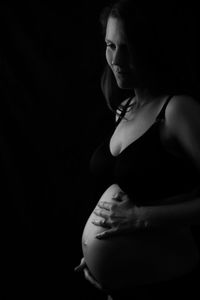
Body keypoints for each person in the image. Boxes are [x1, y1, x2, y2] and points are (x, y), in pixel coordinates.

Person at [75, 0, 200, 299]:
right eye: (110, 44)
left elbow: (139, 211)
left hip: (170, 283)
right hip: (125, 286)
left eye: (127, 47)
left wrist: (140, 217)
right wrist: (106, 260)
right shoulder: (123, 109)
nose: (116, 59)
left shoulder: (177, 110)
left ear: (151, 49)